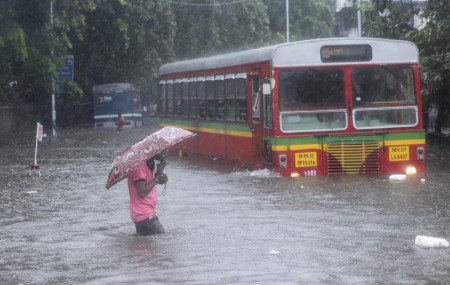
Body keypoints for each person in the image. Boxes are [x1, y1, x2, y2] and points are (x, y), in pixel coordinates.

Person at [127, 153, 168, 236]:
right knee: (164, 239)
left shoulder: (150, 163)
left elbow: (149, 182)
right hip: (144, 215)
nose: (164, 152)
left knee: (147, 246)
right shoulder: (139, 166)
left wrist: (160, 177)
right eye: (162, 150)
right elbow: (142, 192)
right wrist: (157, 177)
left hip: (147, 214)